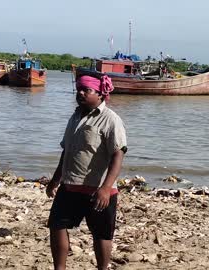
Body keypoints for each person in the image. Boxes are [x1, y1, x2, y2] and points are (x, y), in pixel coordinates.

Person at [46, 74, 127, 270]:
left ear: (100, 94)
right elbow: (67, 151)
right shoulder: (75, 117)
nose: (81, 93)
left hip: (97, 190)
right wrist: (55, 180)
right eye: (79, 89)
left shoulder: (111, 120)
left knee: (101, 234)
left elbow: (118, 154)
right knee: (56, 225)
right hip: (70, 185)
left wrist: (106, 188)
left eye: (87, 90)